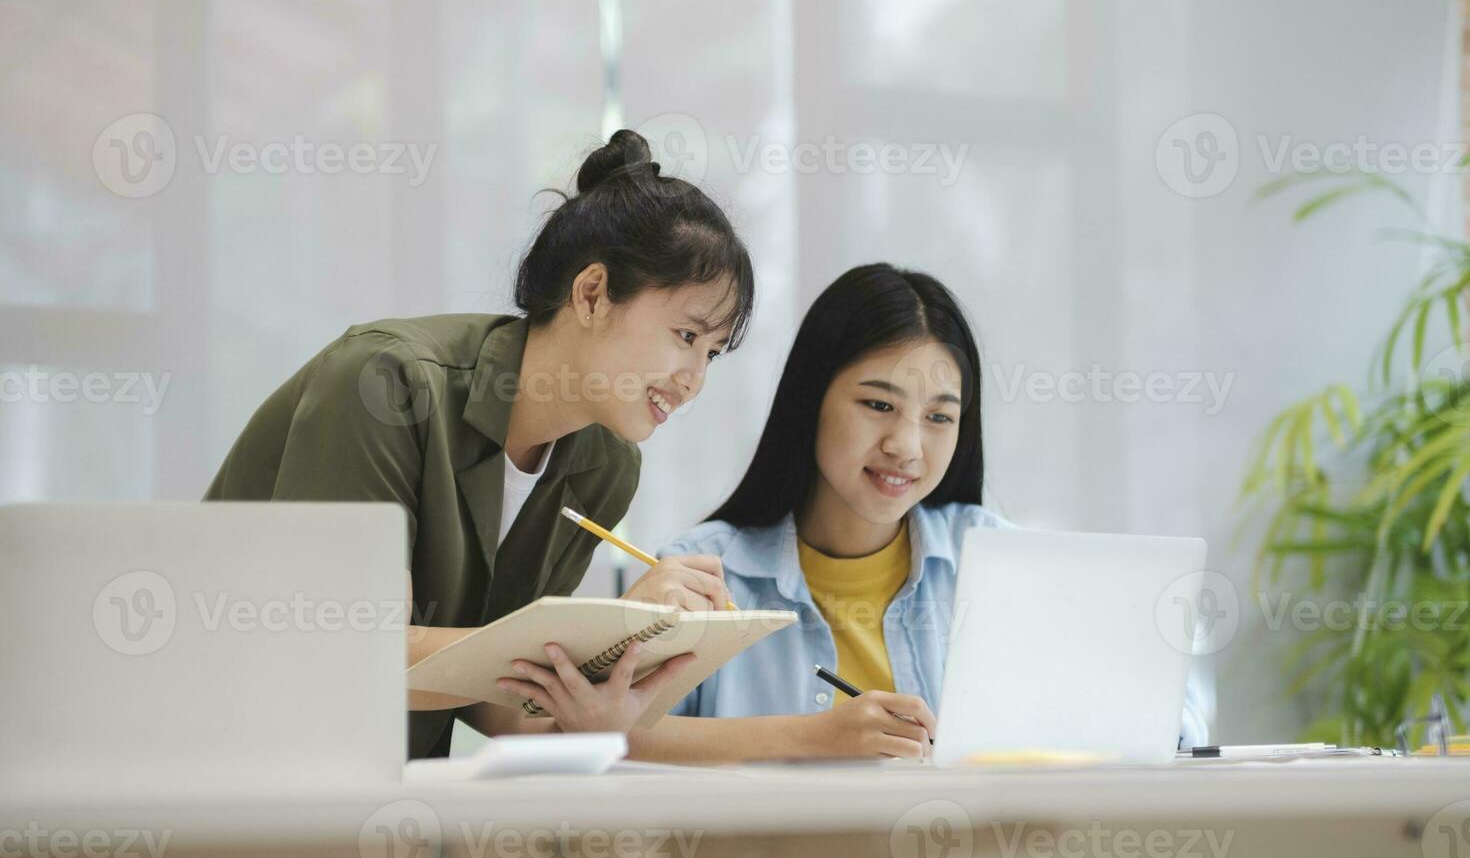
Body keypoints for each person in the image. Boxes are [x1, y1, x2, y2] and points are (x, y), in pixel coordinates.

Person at [205, 130, 753, 758]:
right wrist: (604, 627)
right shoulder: (384, 382)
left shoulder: (605, 464)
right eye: (686, 335)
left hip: (388, 802)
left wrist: (610, 676)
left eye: (711, 354)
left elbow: (496, 709)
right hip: (222, 766)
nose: (694, 381)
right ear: (593, 294)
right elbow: (350, 651)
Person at [627, 263, 1207, 763]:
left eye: (939, 417)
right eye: (878, 404)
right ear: (811, 401)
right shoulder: (700, 578)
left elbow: (1173, 719)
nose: (906, 445)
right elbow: (614, 738)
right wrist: (811, 739)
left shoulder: (997, 562)